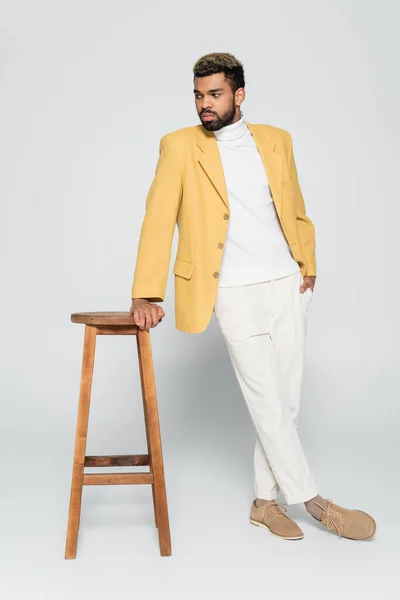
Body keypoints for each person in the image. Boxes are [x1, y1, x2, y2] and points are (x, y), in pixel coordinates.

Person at [129, 52, 376, 541]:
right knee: (265, 399)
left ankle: (265, 503)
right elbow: (158, 220)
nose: (205, 104)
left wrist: (307, 263)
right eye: (199, 95)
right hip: (231, 289)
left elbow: (295, 206)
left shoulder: (276, 141)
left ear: (239, 94)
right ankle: (314, 501)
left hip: (286, 282)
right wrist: (146, 292)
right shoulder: (179, 147)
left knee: (286, 401)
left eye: (215, 94)